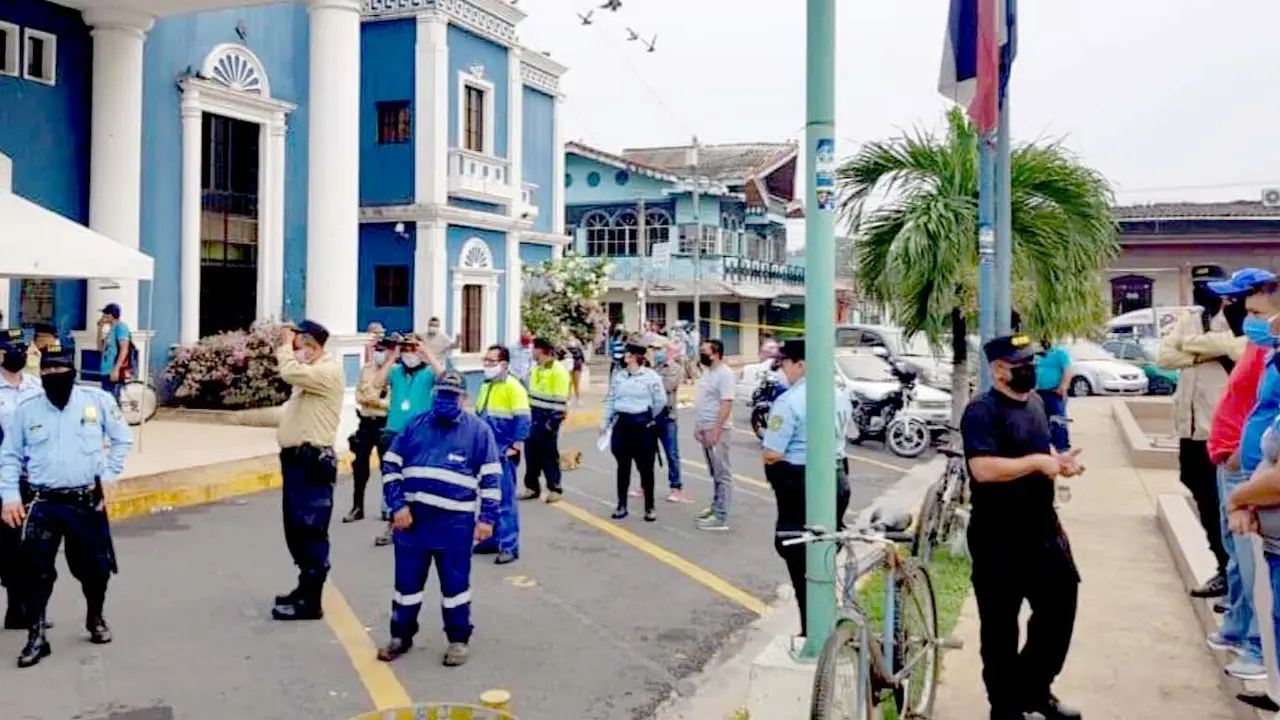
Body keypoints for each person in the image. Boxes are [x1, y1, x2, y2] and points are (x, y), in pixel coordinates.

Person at [961, 334, 1084, 720]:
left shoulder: (1034, 403)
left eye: (1032, 362)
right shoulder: (981, 411)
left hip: (1042, 529)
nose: (1029, 370)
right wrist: (1036, 463)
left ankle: (1034, 688)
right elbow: (982, 469)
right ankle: (1005, 706)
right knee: (1000, 626)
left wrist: (1058, 460)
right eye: (1021, 366)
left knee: (1060, 605)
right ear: (999, 371)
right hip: (998, 536)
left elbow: (1038, 447)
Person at [0, 341, 132, 668]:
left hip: (84, 502)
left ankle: (95, 619)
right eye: (46, 370)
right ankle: (36, 636)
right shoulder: (27, 409)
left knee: (95, 569)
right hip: (44, 502)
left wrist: (110, 474)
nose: (53, 375)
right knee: (35, 571)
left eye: (59, 369)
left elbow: (121, 439)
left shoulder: (97, 401)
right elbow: (10, 456)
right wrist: (10, 497)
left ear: (71, 371)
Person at [376, 370, 501, 667]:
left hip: (455, 526)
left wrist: (487, 519)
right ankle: (400, 636)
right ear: (434, 395)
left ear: (463, 398)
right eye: (441, 394)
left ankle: (458, 639)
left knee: (455, 587)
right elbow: (390, 466)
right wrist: (397, 507)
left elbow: (492, 479)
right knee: (406, 586)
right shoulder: (414, 426)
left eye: (452, 395)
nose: (445, 400)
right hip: (412, 523)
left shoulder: (479, 432)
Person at [1158, 264, 1246, 600]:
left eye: (1209, 285)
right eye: (1198, 284)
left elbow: (1238, 349)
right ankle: (1222, 567)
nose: (1202, 290)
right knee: (1200, 494)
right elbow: (1165, 356)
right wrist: (1203, 352)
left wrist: (1194, 346)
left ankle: (1233, 578)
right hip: (1190, 427)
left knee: (1224, 504)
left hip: (1220, 431)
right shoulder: (1190, 319)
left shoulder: (1238, 319)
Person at [1204, 268, 1276, 680]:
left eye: (1247, 304)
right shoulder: (1254, 343)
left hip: (1245, 467)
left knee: (1254, 564)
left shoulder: (1271, 352)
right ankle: (1238, 627)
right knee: (1237, 557)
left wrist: (1238, 455)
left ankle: (1257, 645)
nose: (1236, 310)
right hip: (1230, 460)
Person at [760, 338, 852, 633]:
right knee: (824, 551)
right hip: (837, 479)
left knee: (796, 551)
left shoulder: (789, 401)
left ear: (801, 365)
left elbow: (772, 453)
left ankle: (813, 630)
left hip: (799, 484)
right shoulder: (839, 395)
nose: (782, 370)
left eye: (785, 364)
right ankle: (824, 618)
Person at [271, 321, 345, 621]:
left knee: (310, 529)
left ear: (311, 345)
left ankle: (311, 602)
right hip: (297, 461)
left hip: (312, 461)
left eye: (300, 346)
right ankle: (303, 588)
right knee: (296, 528)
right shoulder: (311, 375)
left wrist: (286, 346)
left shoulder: (327, 372)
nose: (296, 352)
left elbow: (288, 371)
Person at [373, 334, 445, 546]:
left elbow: (445, 377)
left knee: (418, 478)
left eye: (412, 348)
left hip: (420, 433)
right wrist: (393, 355)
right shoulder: (396, 372)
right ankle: (393, 520)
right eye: (406, 349)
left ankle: (420, 522)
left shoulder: (428, 372)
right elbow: (377, 382)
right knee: (393, 478)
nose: (409, 354)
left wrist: (427, 353)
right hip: (394, 431)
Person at [473, 345, 531, 564]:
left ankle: (509, 545)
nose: (487, 365)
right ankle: (492, 539)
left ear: (504, 364)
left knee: (505, 500)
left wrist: (514, 446)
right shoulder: (486, 386)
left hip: (504, 451)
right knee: (489, 498)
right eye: (485, 360)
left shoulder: (513, 387)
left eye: (491, 361)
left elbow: (523, 420)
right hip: (486, 452)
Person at [0, 330, 42, 630]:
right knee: (7, 543)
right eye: (12, 349)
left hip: (30, 476)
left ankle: (24, 606)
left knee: (27, 544)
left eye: (21, 348)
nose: (19, 353)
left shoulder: (35, 387)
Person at [600, 342, 666, 521]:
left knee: (646, 468)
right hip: (622, 425)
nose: (625, 358)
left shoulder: (651, 377)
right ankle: (621, 505)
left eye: (628, 355)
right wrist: (604, 422)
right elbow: (611, 399)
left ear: (637, 357)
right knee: (623, 467)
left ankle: (649, 506)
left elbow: (660, 402)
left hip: (642, 427)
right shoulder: (619, 376)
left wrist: (645, 416)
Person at [344, 336, 394, 523]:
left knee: (387, 467)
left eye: (384, 350)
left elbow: (392, 403)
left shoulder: (395, 372)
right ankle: (357, 507)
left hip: (384, 423)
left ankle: (388, 507)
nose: (380, 354)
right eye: (378, 349)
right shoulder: (367, 369)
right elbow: (359, 394)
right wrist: (372, 399)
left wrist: (376, 401)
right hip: (365, 422)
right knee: (359, 466)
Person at [693, 339, 736, 530]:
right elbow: (704, 401)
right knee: (714, 471)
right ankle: (715, 505)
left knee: (722, 472)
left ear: (716, 353)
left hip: (717, 429)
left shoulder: (725, 374)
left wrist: (716, 430)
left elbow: (726, 403)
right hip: (705, 426)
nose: (701, 354)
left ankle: (721, 515)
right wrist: (698, 425)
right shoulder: (708, 373)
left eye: (705, 351)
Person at [523, 337, 571, 503]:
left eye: (533, 349)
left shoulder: (558, 371)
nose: (531, 352)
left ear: (541, 350)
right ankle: (531, 487)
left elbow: (560, 400)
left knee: (548, 455)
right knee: (531, 453)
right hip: (533, 416)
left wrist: (552, 423)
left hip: (547, 418)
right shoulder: (537, 369)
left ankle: (554, 488)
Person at [651, 339, 688, 503]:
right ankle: (645, 486)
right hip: (651, 416)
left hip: (668, 417)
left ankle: (676, 487)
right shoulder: (653, 367)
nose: (658, 352)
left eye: (661, 349)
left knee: (671, 454)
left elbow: (666, 387)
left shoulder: (676, 369)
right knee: (646, 454)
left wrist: (650, 382)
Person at [1034, 336, 1074, 451]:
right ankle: (1047, 445)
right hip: (1040, 392)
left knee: (1058, 419)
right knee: (1042, 420)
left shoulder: (1060, 354)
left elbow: (1067, 370)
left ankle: (1062, 446)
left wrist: (1063, 386)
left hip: (1055, 392)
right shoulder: (1038, 356)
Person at [97, 303, 135, 403]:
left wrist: (116, 369)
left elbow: (124, 349)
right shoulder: (111, 331)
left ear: (110, 315)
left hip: (113, 369)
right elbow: (100, 348)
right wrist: (99, 328)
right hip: (105, 370)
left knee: (112, 403)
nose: (103, 317)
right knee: (106, 401)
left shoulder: (121, 328)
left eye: (104, 315)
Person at [565, 335, 586, 405]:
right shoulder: (565, 342)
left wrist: (583, 362)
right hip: (570, 363)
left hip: (576, 363)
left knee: (575, 382)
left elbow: (581, 353)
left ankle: (577, 398)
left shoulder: (577, 342)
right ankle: (569, 399)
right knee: (569, 382)